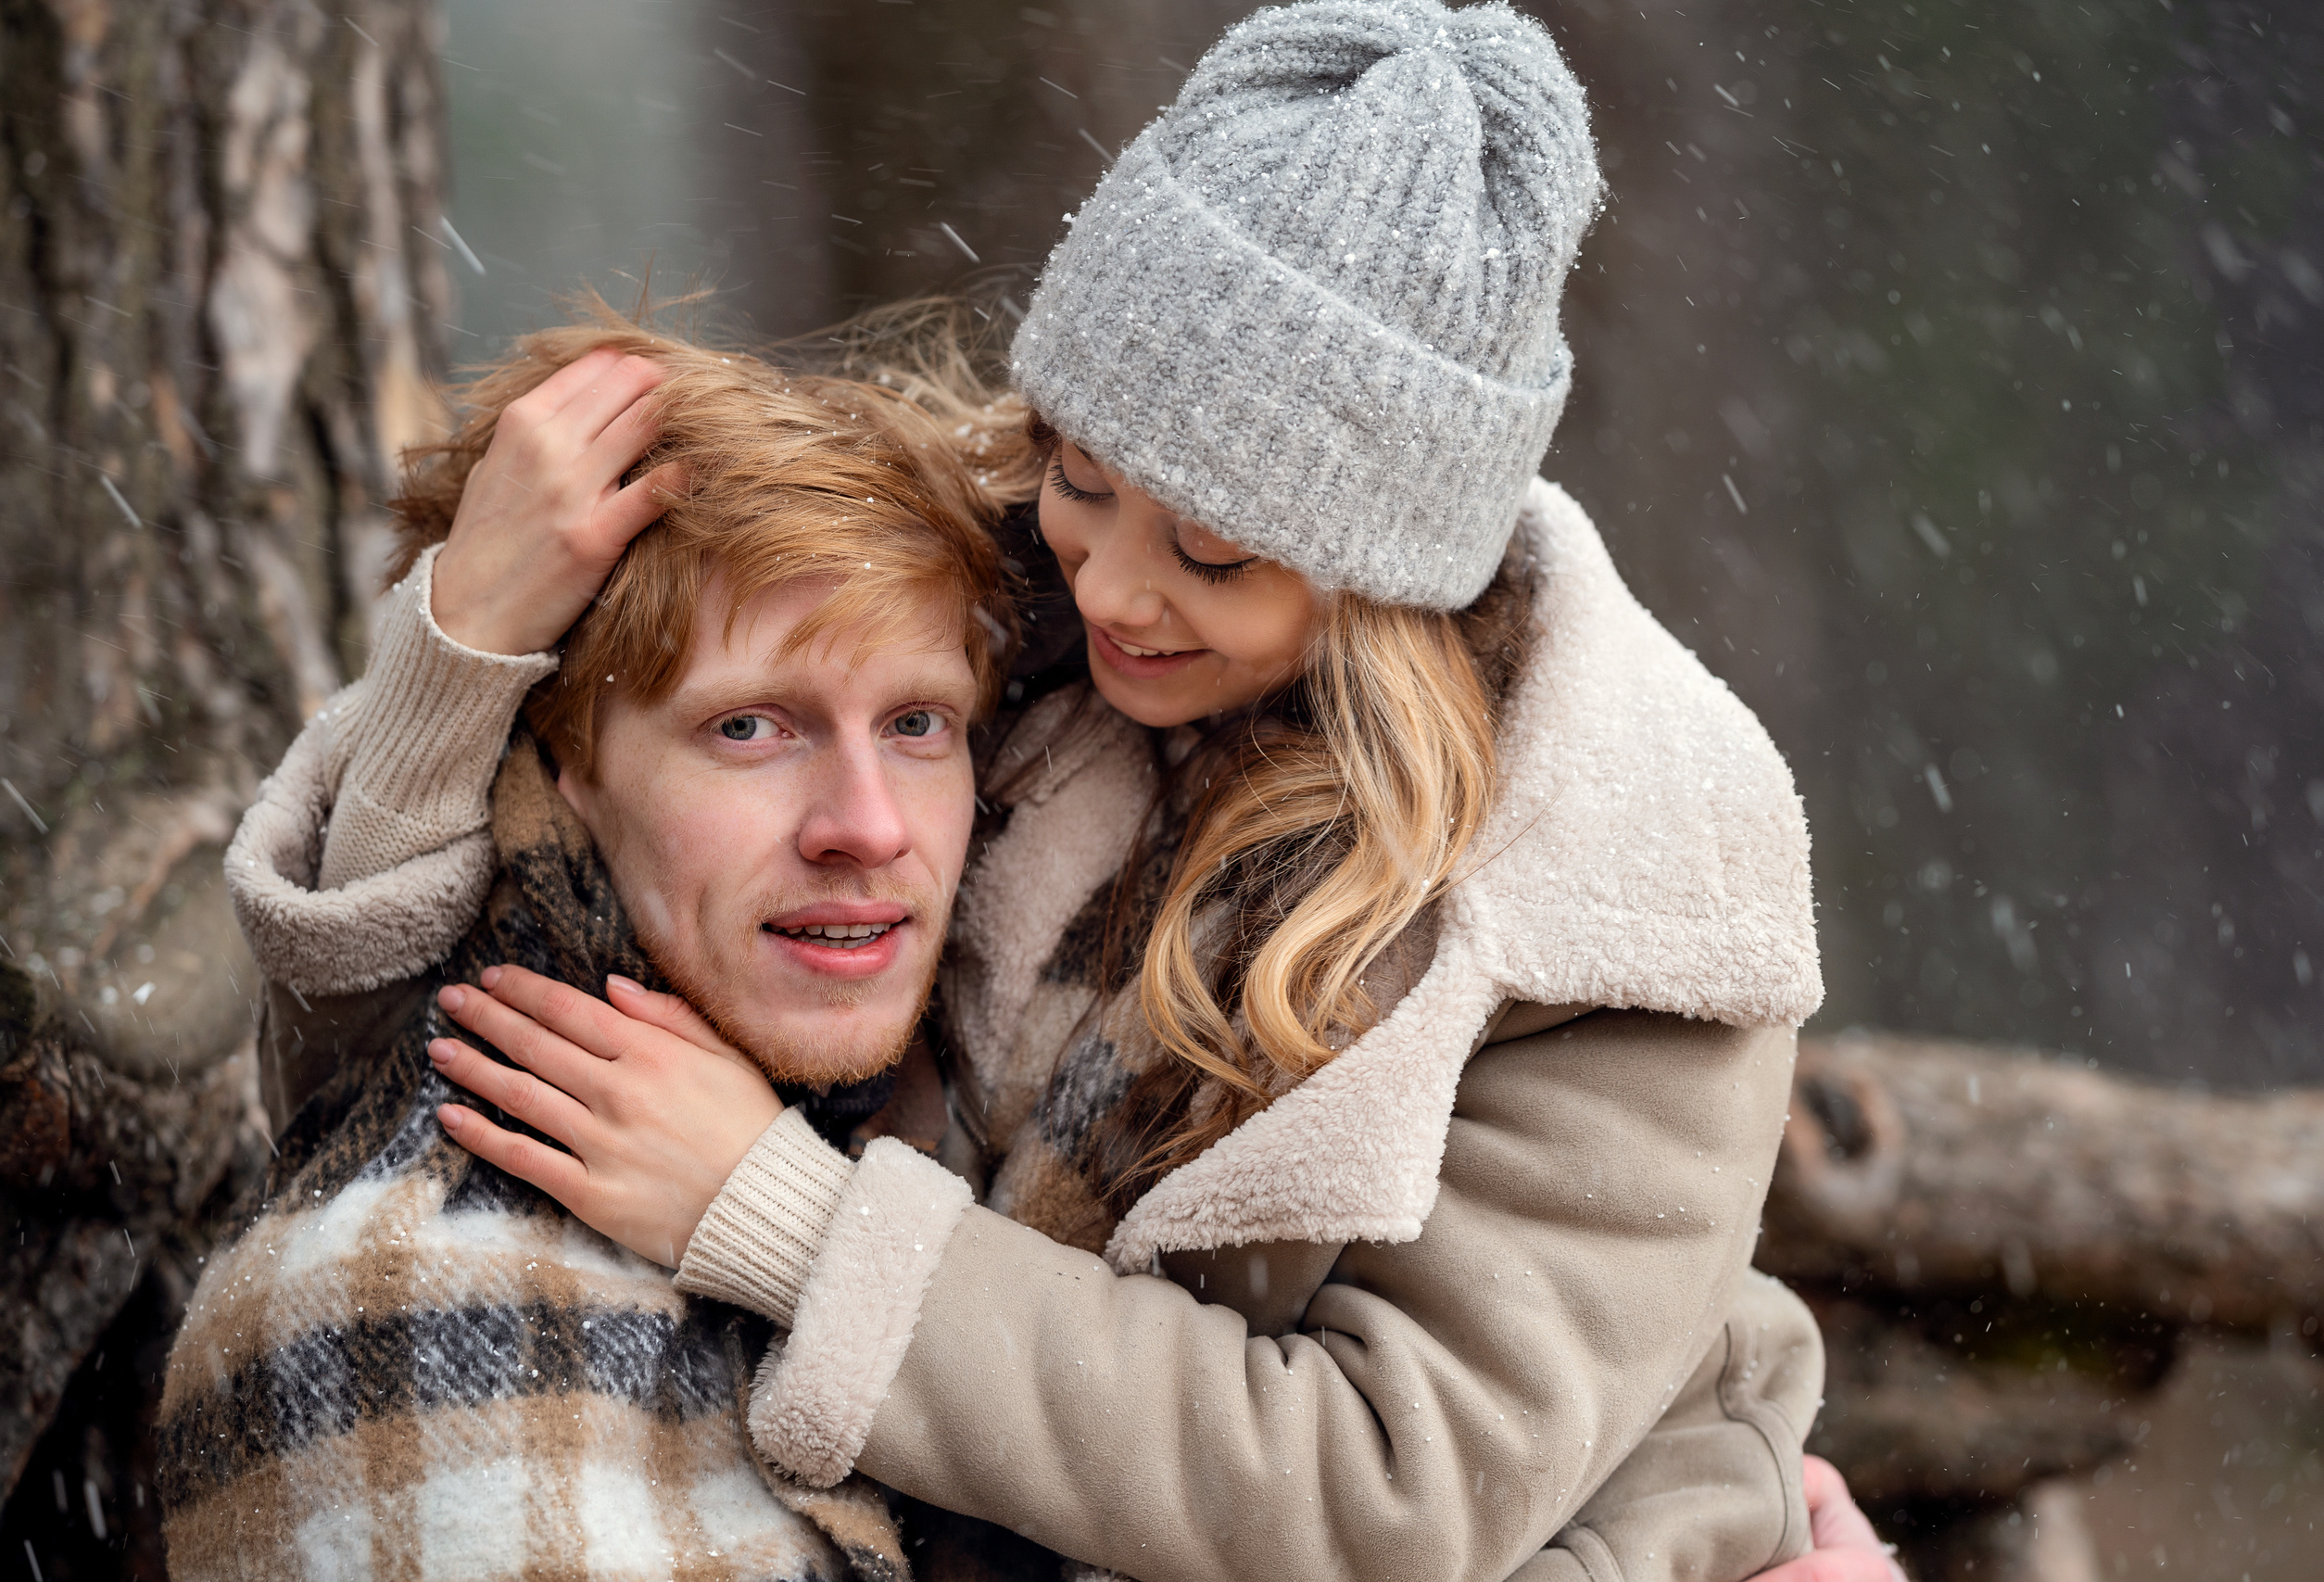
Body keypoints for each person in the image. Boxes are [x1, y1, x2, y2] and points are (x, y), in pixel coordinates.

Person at [200, 5, 1907, 1579]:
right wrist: (469, 644)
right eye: (1088, 479)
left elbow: (1382, 1491)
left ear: (1389, 580)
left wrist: (791, 1225)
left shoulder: (1613, 901)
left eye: (1218, 554)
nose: (1112, 593)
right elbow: (451, 1043)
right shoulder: (994, 610)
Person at [155, 311, 1032, 1581]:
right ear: (561, 770)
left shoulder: (971, 1132)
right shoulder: (413, 1300)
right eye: (749, 729)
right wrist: (459, 637)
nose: (868, 828)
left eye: (916, 723)